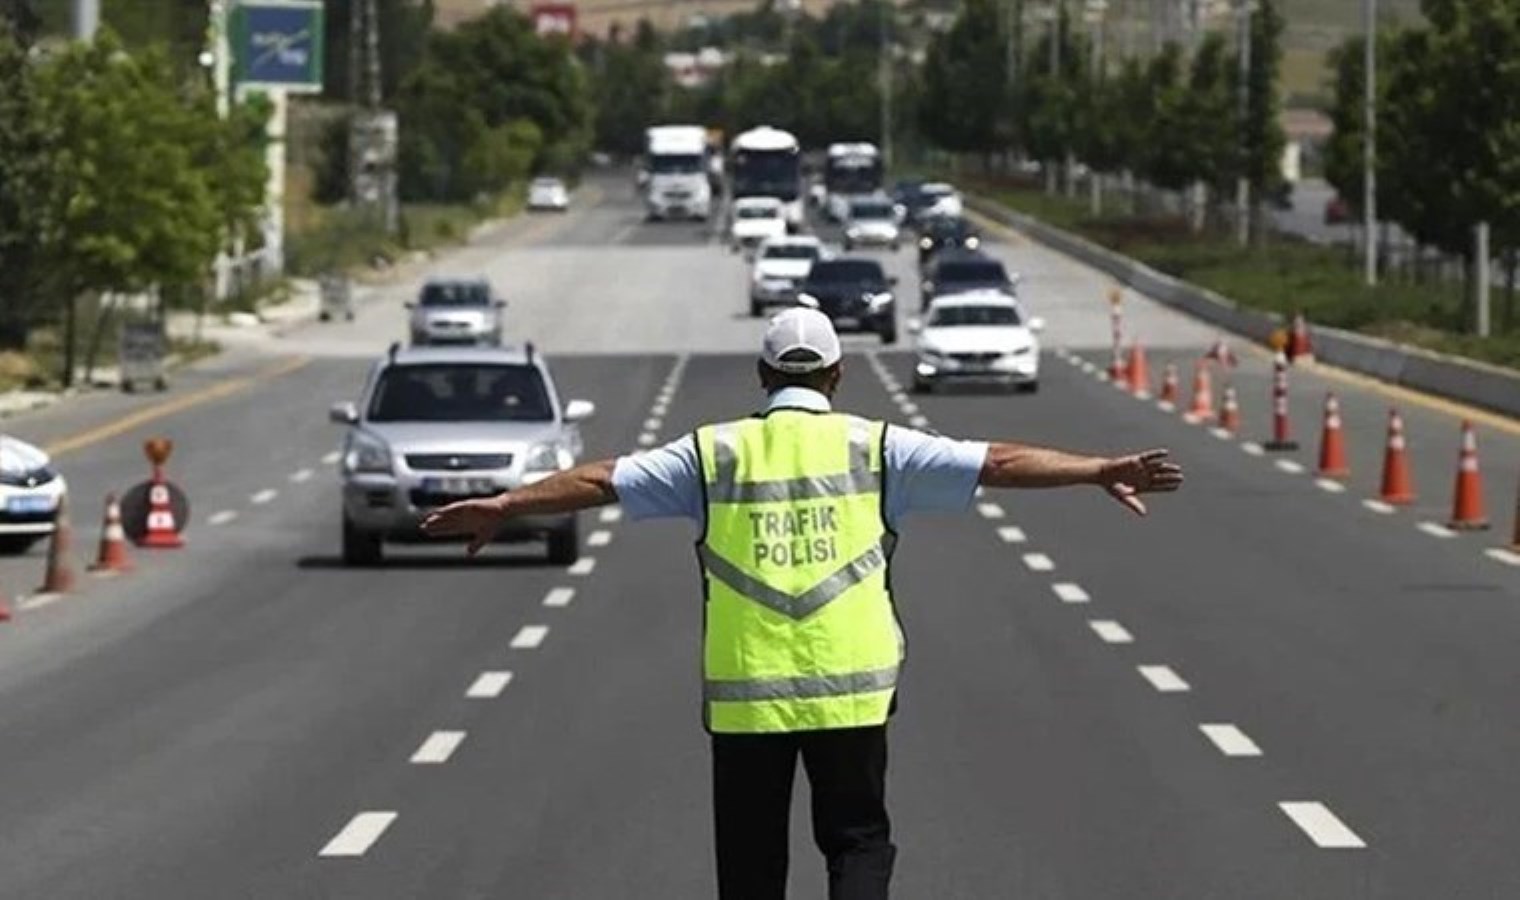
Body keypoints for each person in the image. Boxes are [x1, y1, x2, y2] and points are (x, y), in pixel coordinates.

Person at [421, 308, 1184, 900]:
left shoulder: (711, 454)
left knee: (752, 865)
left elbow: (599, 479)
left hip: (747, 698)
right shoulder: (878, 446)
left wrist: (507, 504)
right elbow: (999, 461)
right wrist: (1095, 468)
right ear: (838, 374)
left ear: (761, 373)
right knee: (857, 843)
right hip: (851, 689)